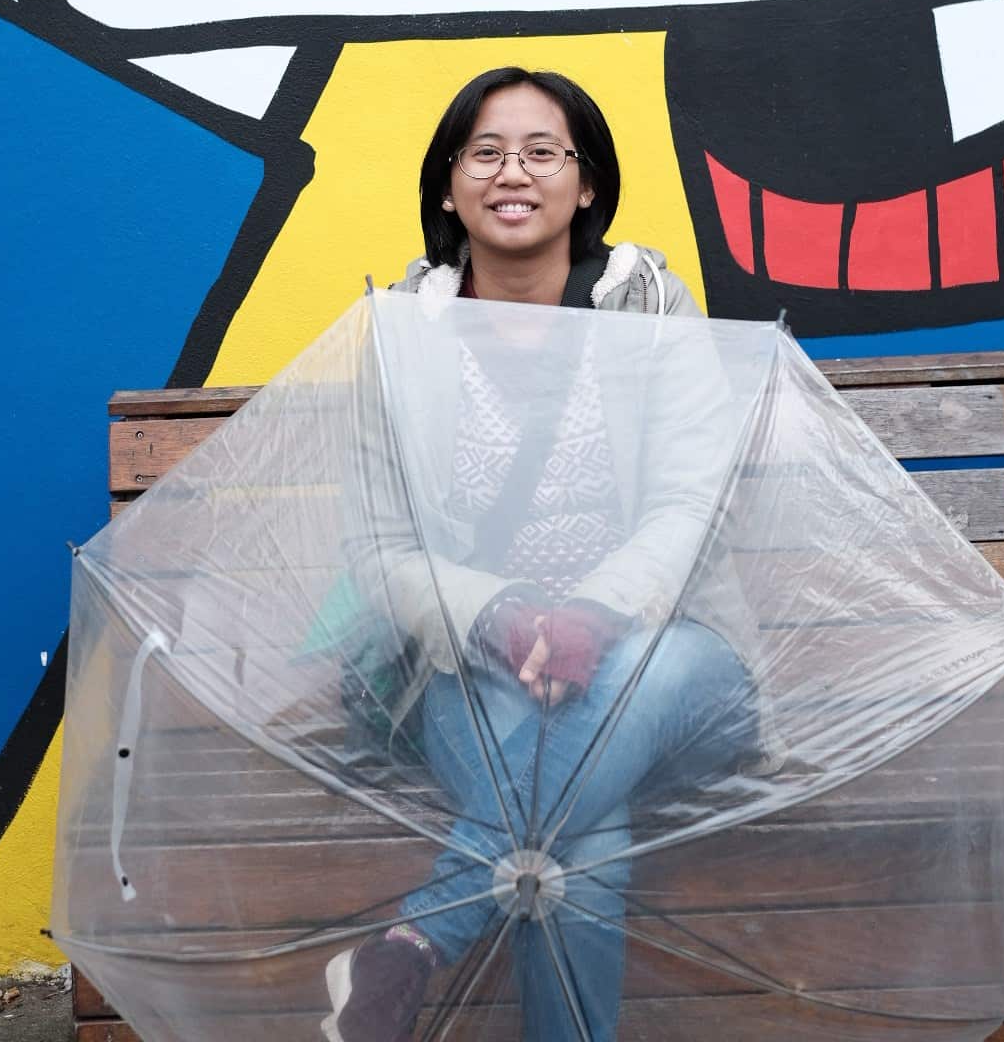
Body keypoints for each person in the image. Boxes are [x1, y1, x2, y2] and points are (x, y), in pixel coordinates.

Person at [323, 68, 760, 1042]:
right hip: (469, 662)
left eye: (541, 151)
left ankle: (412, 944)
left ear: (586, 182)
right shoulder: (402, 333)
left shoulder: (647, 306)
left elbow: (697, 504)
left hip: (662, 657)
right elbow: (378, 546)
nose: (510, 172)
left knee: (624, 706)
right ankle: (411, 950)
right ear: (447, 186)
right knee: (581, 840)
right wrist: (503, 616)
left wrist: (591, 616)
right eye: (483, 152)